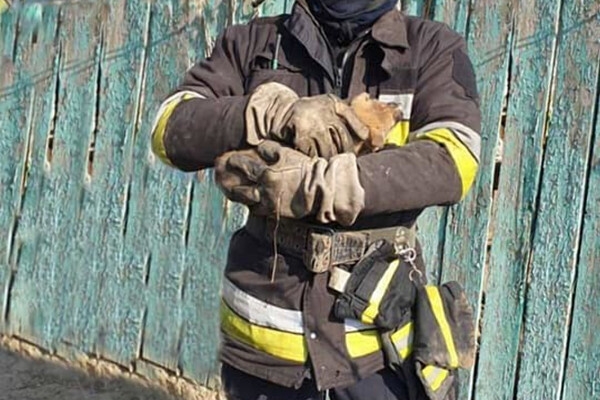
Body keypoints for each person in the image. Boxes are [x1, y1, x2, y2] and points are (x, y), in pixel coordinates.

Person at [150, 0, 481, 398]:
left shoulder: (430, 47)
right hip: (264, 352)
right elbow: (169, 130)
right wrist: (271, 115)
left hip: (378, 348)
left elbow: (453, 160)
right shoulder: (256, 42)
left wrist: (322, 184)